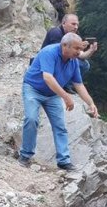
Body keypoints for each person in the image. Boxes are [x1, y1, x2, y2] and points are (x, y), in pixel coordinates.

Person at [19, 33, 99, 171]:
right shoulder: (49, 52)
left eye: (80, 49)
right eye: (76, 48)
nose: (79, 52)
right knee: (31, 119)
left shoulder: (73, 61)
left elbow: (79, 85)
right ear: (64, 46)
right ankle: (25, 155)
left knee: (60, 126)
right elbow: (48, 77)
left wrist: (91, 103)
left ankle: (64, 161)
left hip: (52, 94)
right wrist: (66, 97)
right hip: (33, 89)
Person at [40, 14, 96, 83]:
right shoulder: (55, 33)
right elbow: (61, 54)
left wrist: (91, 50)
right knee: (75, 63)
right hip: (48, 61)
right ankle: (63, 84)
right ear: (63, 23)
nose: (76, 27)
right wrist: (77, 49)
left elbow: (81, 56)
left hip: (61, 60)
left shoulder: (74, 36)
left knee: (85, 64)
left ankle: (68, 84)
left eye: (77, 25)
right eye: (73, 24)